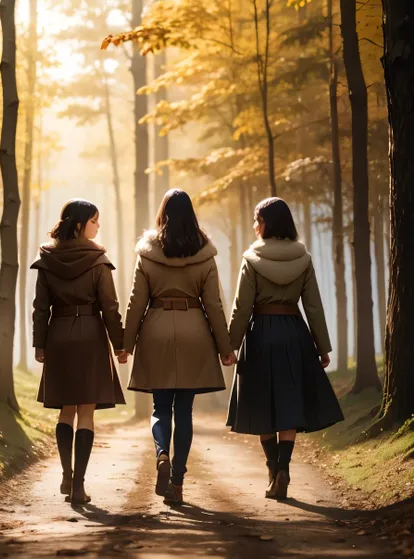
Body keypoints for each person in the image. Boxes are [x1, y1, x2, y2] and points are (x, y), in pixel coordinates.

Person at [119, 189, 235, 505]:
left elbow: (135, 303)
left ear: (163, 213)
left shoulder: (147, 253)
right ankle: (178, 481)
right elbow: (214, 304)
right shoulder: (204, 254)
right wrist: (225, 346)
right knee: (184, 411)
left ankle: (161, 455)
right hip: (194, 332)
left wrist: (125, 344)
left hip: (155, 329)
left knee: (160, 408)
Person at [227, 197, 343, 500]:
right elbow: (314, 306)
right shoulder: (302, 258)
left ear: (266, 223)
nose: (254, 225)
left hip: (261, 334)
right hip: (294, 333)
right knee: (290, 403)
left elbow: (242, 307)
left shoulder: (251, 259)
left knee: (263, 404)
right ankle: (284, 469)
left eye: (257, 219)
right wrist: (322, 346)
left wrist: (229, 345)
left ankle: (272, 468)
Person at [31, 199, 125, 505]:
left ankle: (66, 475)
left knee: (66, 409)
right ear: (81, 224)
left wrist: (40, 343)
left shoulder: (47, 257)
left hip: (58, 335)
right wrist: (120, 342)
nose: (98, 227)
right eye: (95, 221)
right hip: (90, 336)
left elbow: (40, 307)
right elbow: (109, 307)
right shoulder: (98, 260)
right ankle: (79, 485)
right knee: (86, 410)